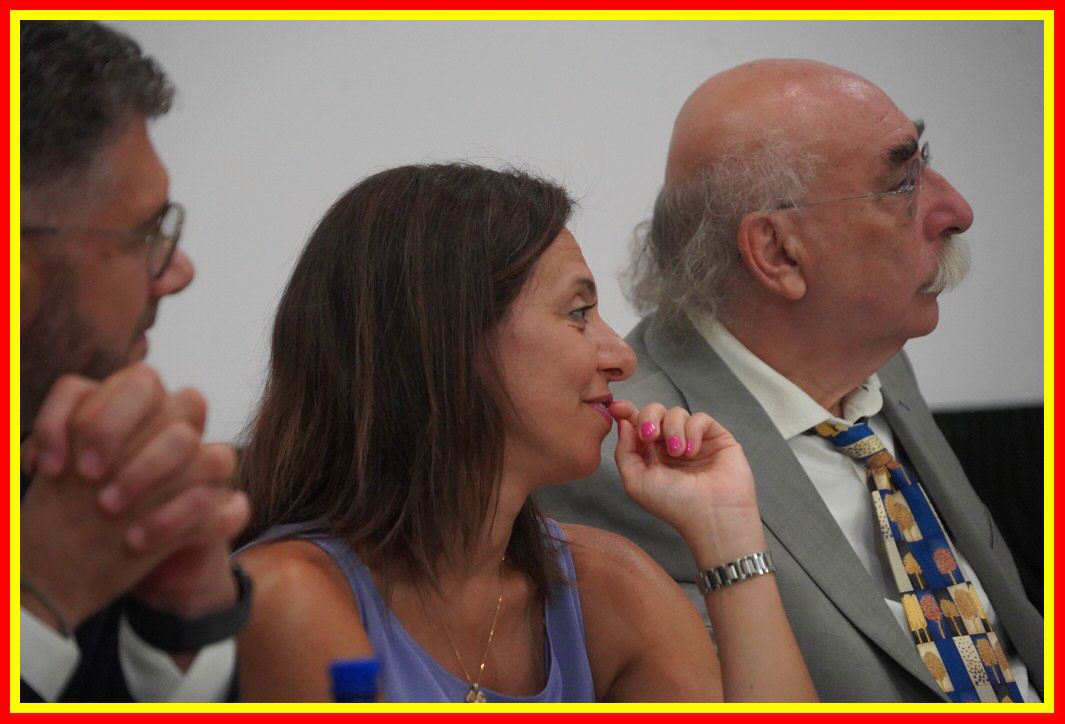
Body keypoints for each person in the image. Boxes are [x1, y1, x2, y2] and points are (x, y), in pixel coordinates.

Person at [537, 59, 1043, 702]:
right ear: (778, 252)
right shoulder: (628, 458)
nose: (956, 210)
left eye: (927, 162)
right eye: (902, 185)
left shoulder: (875, 356)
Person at [234, 163, 817, 702]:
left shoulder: (607, 585)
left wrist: (726, 532)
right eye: (577, 313)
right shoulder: (291, 598)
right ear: (448, 343)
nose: (622, 358)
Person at [20, 21, 251, 702]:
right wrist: (37, 601)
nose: (177, 271)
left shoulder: (67, 466)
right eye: (146, 234)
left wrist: (179, 622)